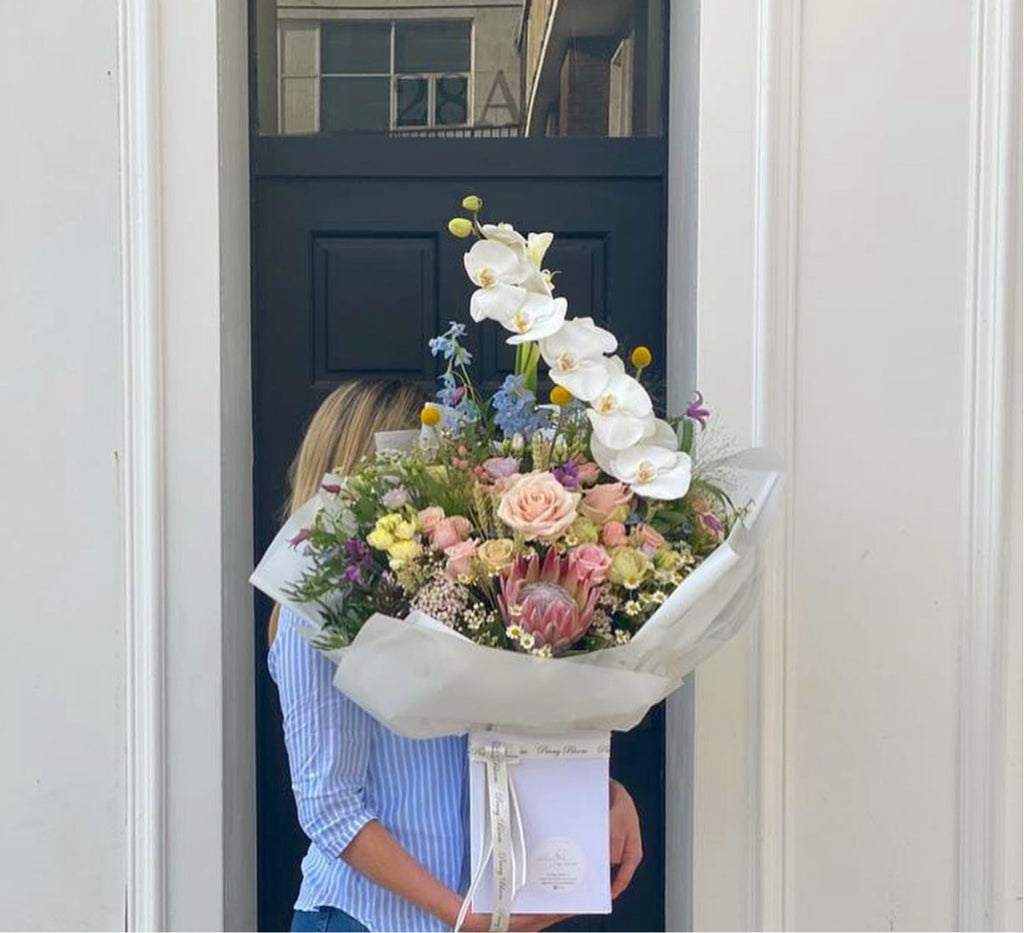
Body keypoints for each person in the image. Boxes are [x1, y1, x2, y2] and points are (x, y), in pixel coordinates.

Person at [269, 379, 644, 933]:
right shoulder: (312, 612)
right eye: (415, 459)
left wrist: (601, 793)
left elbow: (492, 743)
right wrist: (467, 918)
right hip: (365, 920)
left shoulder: (447, 591)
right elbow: (329, 805)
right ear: (363, 470)